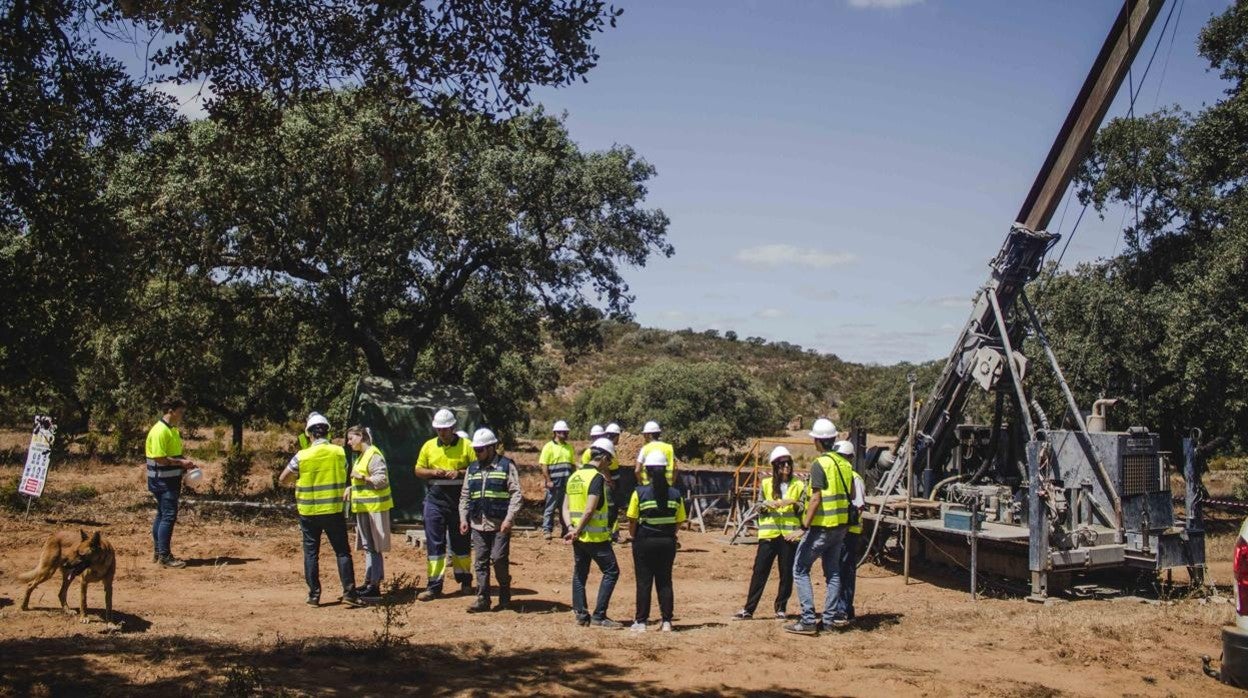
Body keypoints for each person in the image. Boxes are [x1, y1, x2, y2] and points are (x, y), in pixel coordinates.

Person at [279, 412, 363, 607]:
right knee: (342, 552)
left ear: (309, 434)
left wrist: (298, 480)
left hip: (308, 512)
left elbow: (283, 479)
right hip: (333, 510)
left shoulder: (302, 455)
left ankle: (314, 596)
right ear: (328, 432)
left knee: (311, 553)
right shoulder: (340, 452)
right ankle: (350, 593)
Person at [785, 418, 853, 635]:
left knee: (800, 569)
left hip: (821, 528)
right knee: (833, 573)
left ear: (817, 441)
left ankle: (807, 620)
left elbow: (816, 499)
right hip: (840, 528)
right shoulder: (845, 464)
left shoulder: (820, 464)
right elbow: (850, 494)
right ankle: (830, 621)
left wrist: (804, 527)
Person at [733, 446, 805, 620]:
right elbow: (757, 506)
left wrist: (794, 503)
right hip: (769, 534)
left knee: (786, 573)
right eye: (782, 464)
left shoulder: (799, 484)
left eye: (789, 463)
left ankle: (781, 607)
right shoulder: (766, 483)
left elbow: (804, 506)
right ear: (775, 466)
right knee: (760, 571)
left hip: (789, 535)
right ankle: (749, 609)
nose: (786, 466)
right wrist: (766, 505)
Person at [458, 428, 523, 613]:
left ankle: (504, 590)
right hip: (478, 523)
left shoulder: (506, 466)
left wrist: (509, 519)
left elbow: (516, 494)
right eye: (475, 450)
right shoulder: (472, 469)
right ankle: (482, 598)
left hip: (500, 524)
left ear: (491, 447)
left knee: (499, 558)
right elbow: (465, 496)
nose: (476, 453)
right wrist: (463, 518)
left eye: (480, 450)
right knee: (480, 562)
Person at [414, 408, 475, 600]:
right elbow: (418, 470)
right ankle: (434, 586)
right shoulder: (428, 446)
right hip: (435, 501)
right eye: (438, 429)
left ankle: (465, 580)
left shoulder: (467, 446)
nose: (441, 432)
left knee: (461, 542)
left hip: (459, 502)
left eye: (445, 429)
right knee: (435, 544)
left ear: (453, 427)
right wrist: (432, 472)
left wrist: (460, 473)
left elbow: (477, 469)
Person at [563, 437, 622, 628]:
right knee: (611, 571)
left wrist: (571, 529)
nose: (610, 465)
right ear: (603, 457)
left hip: (578, 537)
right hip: (595, 537)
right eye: (610, 460)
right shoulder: (596, 478)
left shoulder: (574, 477)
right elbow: (589, 510)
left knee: (580, 573)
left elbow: (564, 507)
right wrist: (578, 529)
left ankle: (581, 614)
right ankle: (599, 615)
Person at [627, 449, 687, 632]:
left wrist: (634, 535)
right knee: (665, 581)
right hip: (667, 542)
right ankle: (667, 621)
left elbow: (632, 519)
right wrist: (669, 533)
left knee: (644, 581)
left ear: (648, 471)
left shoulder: (639, 492)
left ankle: (641, 622)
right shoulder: (676, 494)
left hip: (644, 540)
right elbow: (680, 520)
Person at [144, 398, 200, 568]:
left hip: (168, 480)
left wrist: (186, 463)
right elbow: (160, 459)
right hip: (162, 481)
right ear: (171, 411)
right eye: (180, 412)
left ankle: (158, 551)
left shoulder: (172, 430)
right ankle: (165, 556)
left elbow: (174, 455)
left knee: (162, 514)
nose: (182, 416)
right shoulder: (160, 431)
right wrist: (181, 464)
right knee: (168, 515)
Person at [347, 425, 392, 600]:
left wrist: (363, 478)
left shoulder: (373, 455)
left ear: (361, 436)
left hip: (374, 508)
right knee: (369, 547)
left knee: (373, 547)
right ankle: (370, 582)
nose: (349, 442)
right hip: (364, 507)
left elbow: (381, 479)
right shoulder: (362, 456)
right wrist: (352, 487)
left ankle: (374, 585)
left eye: (351, 438)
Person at [831, 440, 866, 623]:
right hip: (838, 531)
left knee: (845, 571)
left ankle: (843, 609)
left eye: (843, 458)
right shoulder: (839, 477)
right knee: (837, 571)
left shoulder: (855, 478)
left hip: (849, 533)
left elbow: (858, 507)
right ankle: (842, 608)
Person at [540, 421, 576, 541]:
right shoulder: (548, 447)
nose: (566, 434)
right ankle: (547, 530)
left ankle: (565, 530)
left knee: (564, 508)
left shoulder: (569, 447)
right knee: (550, 507)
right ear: (556, 432)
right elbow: (544, 465)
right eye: (563, 432)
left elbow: (572, 465)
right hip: (554, 483)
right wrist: (548, 480)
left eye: (566, 432)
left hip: (566, 484)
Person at [635, 420, 677, 486]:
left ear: (649, 435)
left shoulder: (645, 449)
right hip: (667, 486)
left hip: (648, 486)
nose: (644, 436)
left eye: (645, 434)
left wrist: (640, 483)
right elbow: (676, 469)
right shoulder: (669, 448)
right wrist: (672, 483)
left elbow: (637, 470)